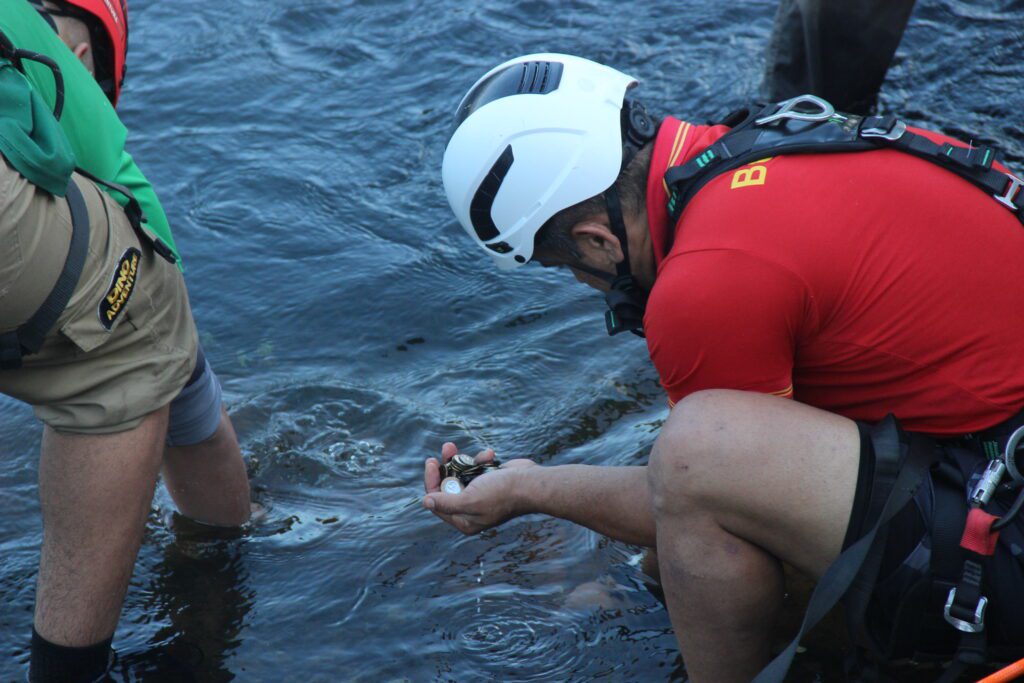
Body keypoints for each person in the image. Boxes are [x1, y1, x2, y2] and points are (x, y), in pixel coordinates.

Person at [429, 53, 1024, 682]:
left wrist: (530, 488)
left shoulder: (706, 284)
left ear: (598, 242)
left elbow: (693, 487)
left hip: (1006, 534)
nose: (584, 282)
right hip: (992, 449)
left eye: (568, 267)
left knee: (693, 457)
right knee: (673, 555)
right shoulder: (775, 140)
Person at [0, 2, 251, 680]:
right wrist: (168, 350)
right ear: (84, 64)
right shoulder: (47, 54)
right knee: (133, 329)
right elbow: (146, 237)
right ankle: (216, 562)